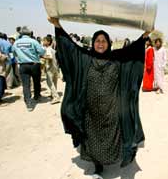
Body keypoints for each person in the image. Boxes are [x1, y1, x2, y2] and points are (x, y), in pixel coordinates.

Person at [48, 17, 149, 178]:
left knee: (111, 139)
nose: (100, 44)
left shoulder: (117, 58)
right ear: (93, 42)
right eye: (97, 41)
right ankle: (97, 167)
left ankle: (113, 160)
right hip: (90, 113)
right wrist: (57, 26)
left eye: (103, 41)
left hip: (111, 112)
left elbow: (132, 52)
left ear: (108, 43)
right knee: (92, 141)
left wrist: (144, 36)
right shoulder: (85, 58)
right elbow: (69, 46)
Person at [12, 26, 45, 111]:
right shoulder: (33, 41)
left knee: (26, 85)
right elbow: (42, 51)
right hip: (34, 65)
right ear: (30, 33)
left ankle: (29, 103)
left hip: (23, 66)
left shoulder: (16, 43)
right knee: (36, 81)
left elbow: (14, 53)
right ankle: (37, 96)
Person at [42, 36, 60, 104]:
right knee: (54, 82)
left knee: (50, 82)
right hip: (55, 67)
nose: (43, 42)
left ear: (48, 42)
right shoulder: (52, 49)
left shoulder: (48, 49)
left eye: (44, 40)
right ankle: (53, 94)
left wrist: (42, 56)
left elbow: (50, 57)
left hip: (50, 67)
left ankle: (56, 97)